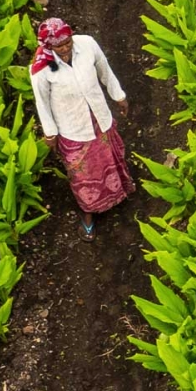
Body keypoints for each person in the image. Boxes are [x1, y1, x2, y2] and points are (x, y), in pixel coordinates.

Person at [30, 18, 134, 239]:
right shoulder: (41, 68)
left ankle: (118, 191)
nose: (66, 47)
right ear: (49, 46)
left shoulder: (86, 44)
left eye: (68, 42)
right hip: (72, 127)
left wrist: (119, 96)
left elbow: (105, 70)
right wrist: (50, 133)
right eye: (60, 46)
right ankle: (88, 211)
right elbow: (42, 102)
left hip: (98, 117)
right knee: (82, 173)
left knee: (109, 158)